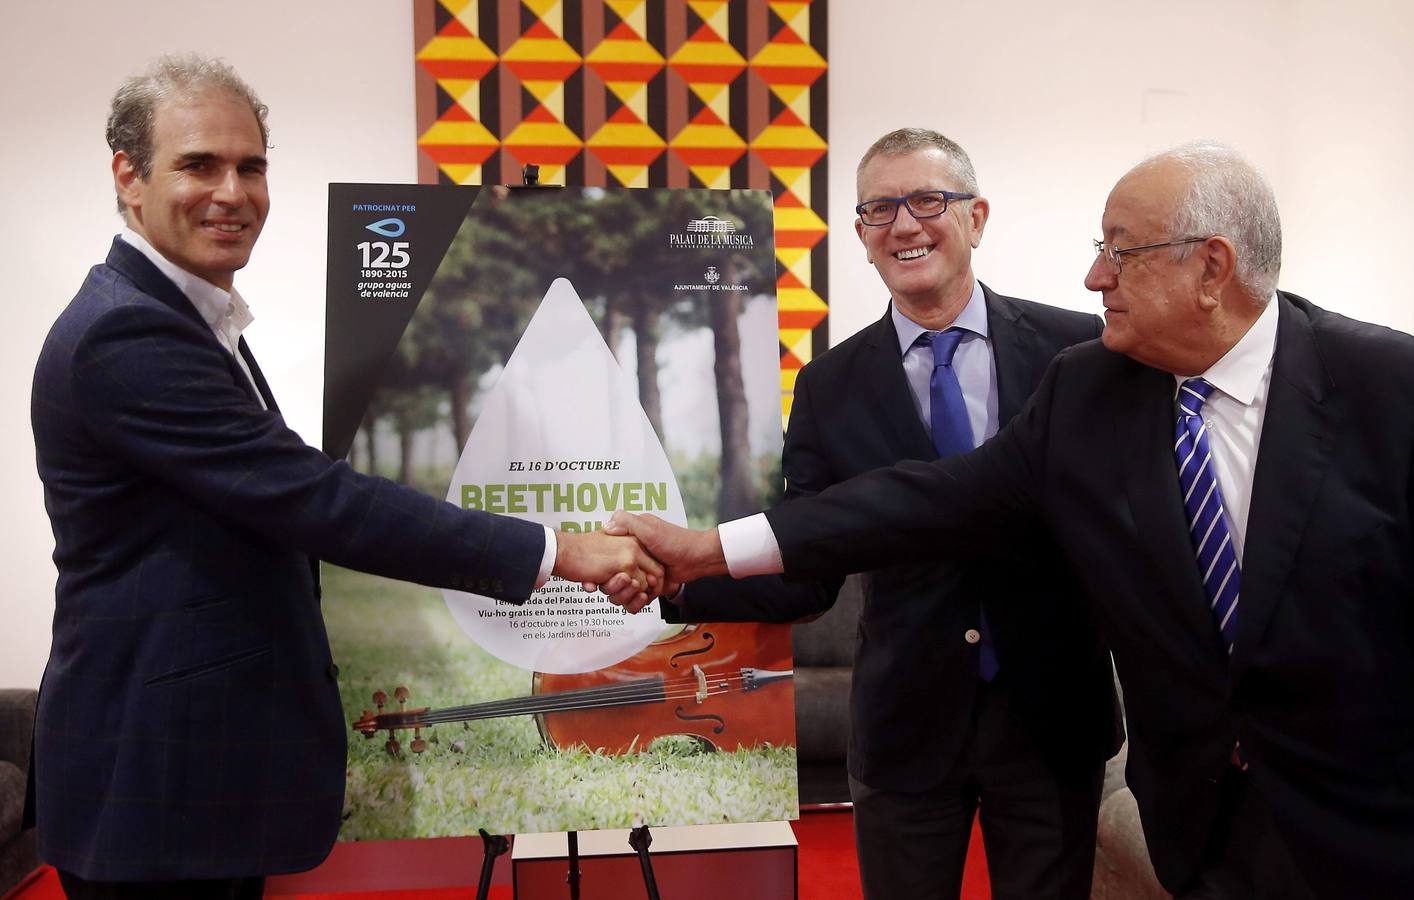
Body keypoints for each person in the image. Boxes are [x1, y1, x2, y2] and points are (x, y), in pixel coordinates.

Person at [610, 142, 1414, 900]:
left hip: (1358, 814)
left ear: (1212, 266)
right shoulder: (1093, 386)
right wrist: (703, 552)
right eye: (1100, 247)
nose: (1096, 276)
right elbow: (922, 500)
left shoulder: (1387, 386)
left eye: (1121, 251)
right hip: (1198, 820)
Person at [27, 54, 659, 899]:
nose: (232, 191)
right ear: (128, 177)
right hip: (155, 773)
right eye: (199, 164)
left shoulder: (186, 315)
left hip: (186, 770)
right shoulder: (127, 335)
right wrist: (564, 551)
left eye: (251, 166)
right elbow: (312, 498)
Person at [659, 128, 1119, 900]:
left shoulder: (1077, 352)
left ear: (976, 218)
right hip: (908, 728)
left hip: (1051, 721)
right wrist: (675, 582)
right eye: (879, 210)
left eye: (927, 200)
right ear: (863, 237)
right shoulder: (830, 385)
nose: (904, 225)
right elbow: (806, 575)